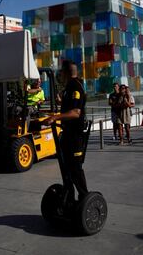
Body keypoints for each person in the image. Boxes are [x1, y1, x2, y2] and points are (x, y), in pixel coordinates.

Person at [43, 60, 88, 201]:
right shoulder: (68, 88)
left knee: (75, 168)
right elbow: (70, 107)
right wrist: (60, 103)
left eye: (61, 72)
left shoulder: (75, 87)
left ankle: (84, 198)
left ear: (67, 73)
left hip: (75, 136)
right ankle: (69, 198)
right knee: (66, 168)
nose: (60, 74)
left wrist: (55, 117)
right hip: (67, 134)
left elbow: (75, 112)